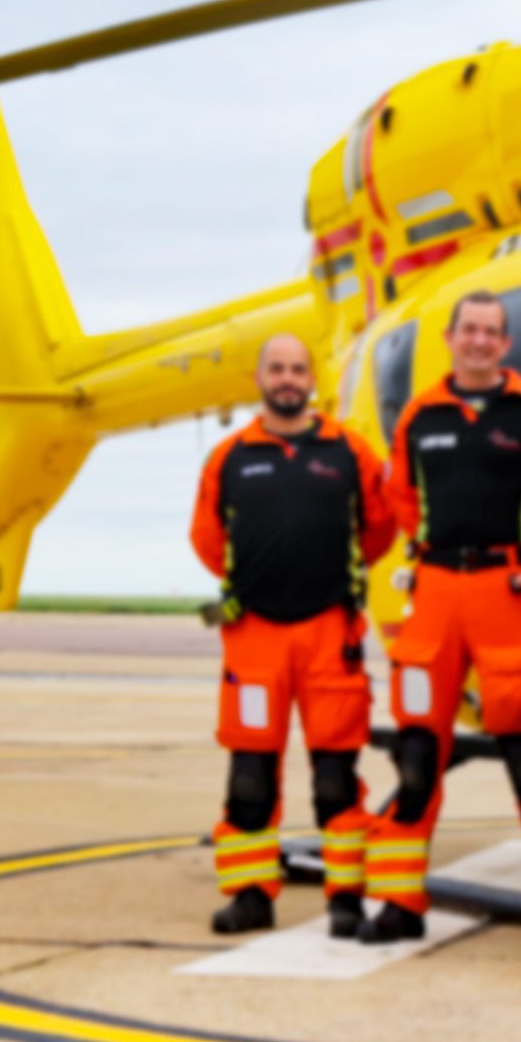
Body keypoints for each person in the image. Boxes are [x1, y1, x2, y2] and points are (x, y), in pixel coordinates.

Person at [363, 289, 521, 947]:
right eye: (470, 330)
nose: (480, 340)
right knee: (417, 748)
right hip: (433, 591)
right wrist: (435, 547)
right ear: (452, 338)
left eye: (492, 331)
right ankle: (400, 902)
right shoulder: (420, 415)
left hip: (503, 589)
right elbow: (402, 495)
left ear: (505, 343)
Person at [189, 333, 394, 938]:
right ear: (260, 378)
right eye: (277, 369)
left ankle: (346, 900)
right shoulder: (229, 457)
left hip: (330, 632)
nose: (287, 378)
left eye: (297, 369)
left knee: (336, 776)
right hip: (253, 637)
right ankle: (251, 896)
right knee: (249, 776)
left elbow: (379, 529)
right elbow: (206, 540)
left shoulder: (349, 452)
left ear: (312, 380)